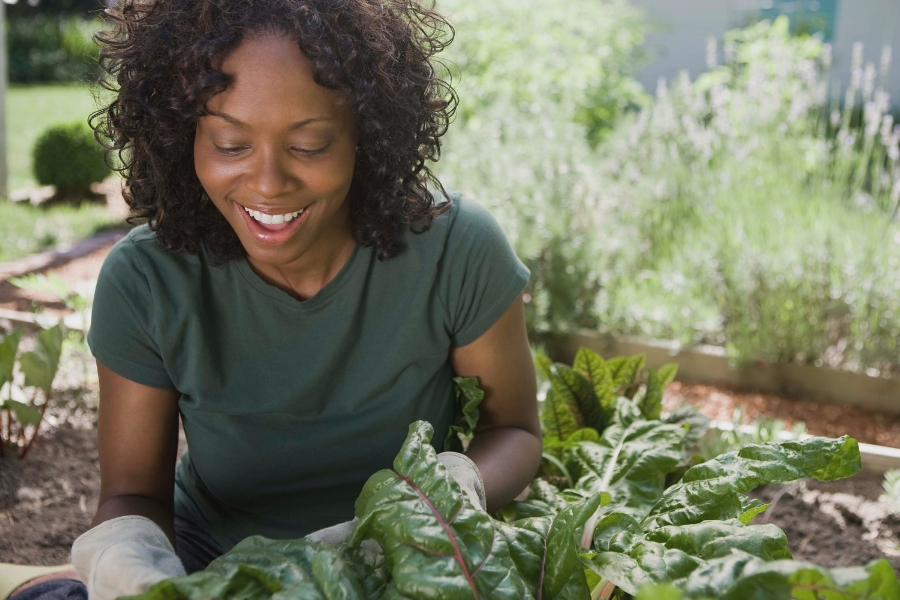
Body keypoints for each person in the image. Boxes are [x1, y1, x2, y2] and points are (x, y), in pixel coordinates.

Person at [1, 0, 541, 598]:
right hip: (219, 568)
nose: (267, 184)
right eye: (231, 144)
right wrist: (137, 568)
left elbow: (514, 432)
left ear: (368, 132)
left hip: (409, 560)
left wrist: (440, 499)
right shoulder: (146, 279)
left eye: (309, 146)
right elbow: (133, 496)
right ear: (184, 139)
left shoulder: (456, 249)